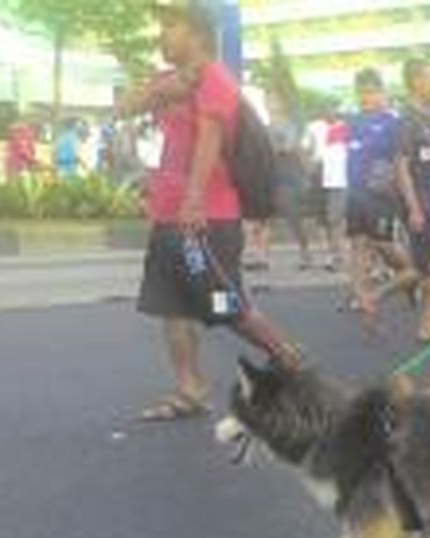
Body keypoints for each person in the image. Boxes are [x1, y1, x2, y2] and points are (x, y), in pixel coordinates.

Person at [119, 0, 301, 421]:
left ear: (198, 34)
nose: (161, 34)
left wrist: (195, 199)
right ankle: (191, 388)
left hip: (205, 222)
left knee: (225, 306)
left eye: (171, 25)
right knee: (172, 305)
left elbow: (210, 140)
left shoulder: (216, 80)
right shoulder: (167, 80)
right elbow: (124, 107)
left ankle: (290, 358)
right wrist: (162, 90)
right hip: (169, 218)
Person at [345, 68, 414, 326]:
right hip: (356, 194)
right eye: (361, 92)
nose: (366, 97)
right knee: (358, 245)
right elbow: (353, 158)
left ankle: (410, 276)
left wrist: (409, 203)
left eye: (371, 91)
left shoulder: (393, 122)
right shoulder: (353, 121)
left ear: (383, 92)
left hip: (381, 197)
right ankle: (362, 297)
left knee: (385, 247)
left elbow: (399, 164)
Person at [396, 58, 430, 342]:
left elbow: (429, 162)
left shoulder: (428, 117)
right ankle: (425, 326)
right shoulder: (407, 119)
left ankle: (429, 324)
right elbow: (401, 165)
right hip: (419, 205)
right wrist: (414, 208)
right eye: (429, 77)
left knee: (428, 267)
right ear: (415, 81)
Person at [247, 92, 315, 272]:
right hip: (270, 174)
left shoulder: (288, 125)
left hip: (287, 174)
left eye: (273, 100)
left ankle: (306, 253)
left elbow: (290, 147)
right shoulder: (265, 126)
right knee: (264, 217)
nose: (269, 104)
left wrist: (307, 175)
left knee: (293, 217)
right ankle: (262, 257)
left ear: (282, 104)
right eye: (267, 101)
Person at [303, 104, 350, 273]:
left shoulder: (347, 127)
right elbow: (304, 149)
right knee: (324, 220)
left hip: (341, 178)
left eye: (334, 108)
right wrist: (309, 168)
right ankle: (333, 254)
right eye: (327, 107)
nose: (330, 111)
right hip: (320, 176)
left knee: (335, 218)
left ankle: (339, 255)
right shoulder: (313, 126)